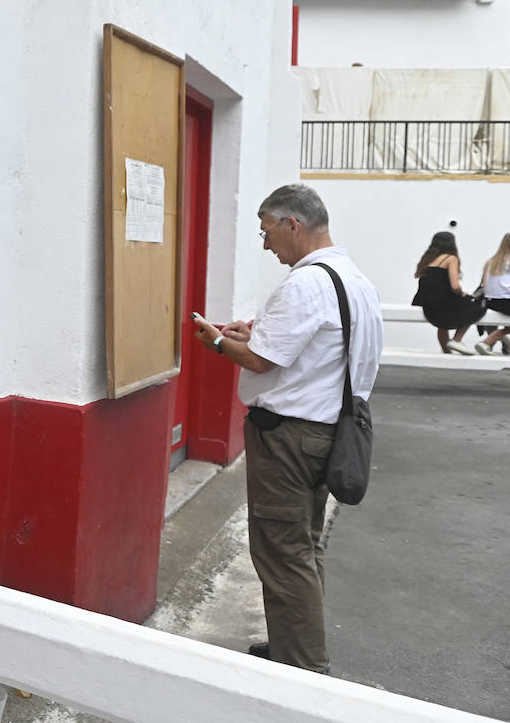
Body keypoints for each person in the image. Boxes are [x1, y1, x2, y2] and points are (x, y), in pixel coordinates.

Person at [191, 184, 382, 675]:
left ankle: (303, 670)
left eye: (266, 230)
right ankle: (293, 648)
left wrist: (216, 342)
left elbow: (259, 359)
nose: (265, 243)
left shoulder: (305, 282)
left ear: (292, 225)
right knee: (303, 545)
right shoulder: (354, 279)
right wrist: (255, 332)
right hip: (325, 433)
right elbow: (316, 350)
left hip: (290, 437)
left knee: (282, 551)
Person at [410, 231, 486, 355]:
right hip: (445, 301)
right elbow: (455, 286)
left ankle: (447, 352)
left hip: (429, 305)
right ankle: (456, 340)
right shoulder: (450, 259)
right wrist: (462, 293)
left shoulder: (427, 260)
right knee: (477, 307)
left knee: (442, 325)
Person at [472, 233, 510, 355]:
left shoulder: (490, 261)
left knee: (509, 328)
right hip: (508, 302)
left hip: (491, 302)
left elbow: (484, 284)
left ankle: (485, 343)